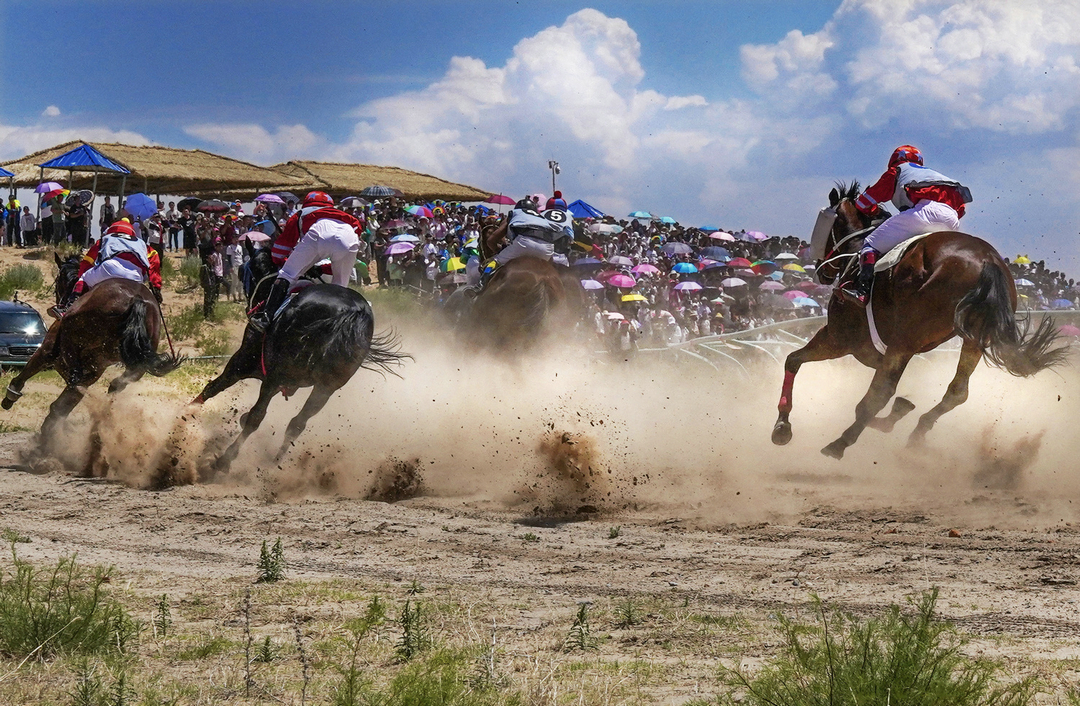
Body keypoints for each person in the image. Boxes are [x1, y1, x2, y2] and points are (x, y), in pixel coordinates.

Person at [841, 145, 972, 305]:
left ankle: (862, 292)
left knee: (870, 244)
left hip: (924, 213)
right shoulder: (933, 174)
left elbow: (863, 203)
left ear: (895, 160)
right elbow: (961, 209)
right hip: (952, 220)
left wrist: (874, 211)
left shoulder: (897, 171)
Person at [248, 191, 361, 332]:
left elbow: (278, 252)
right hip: (351, 235)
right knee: (339, 288)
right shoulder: (343, 216)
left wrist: (293, 263)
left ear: (307, 203)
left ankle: (266, 317)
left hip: (319, 233)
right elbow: (337, 256)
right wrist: (318, 268)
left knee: (287, 274)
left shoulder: (300, 214)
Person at [50, 220, 162, 318]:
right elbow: (155, 263)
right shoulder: (142, 244)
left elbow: (87, 261)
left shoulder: (106, 239)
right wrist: (156, 288)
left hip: (109, 269)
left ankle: (68, 308)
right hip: (135, 276)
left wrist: (81, 277)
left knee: (83, 278)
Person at [470, 196, 573, 294]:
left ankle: (480, 286)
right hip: (548, 247)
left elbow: (491, 240)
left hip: (524, 243)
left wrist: (498, 252)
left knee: (494, 262)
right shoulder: (541, 217)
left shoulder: (515, 213)